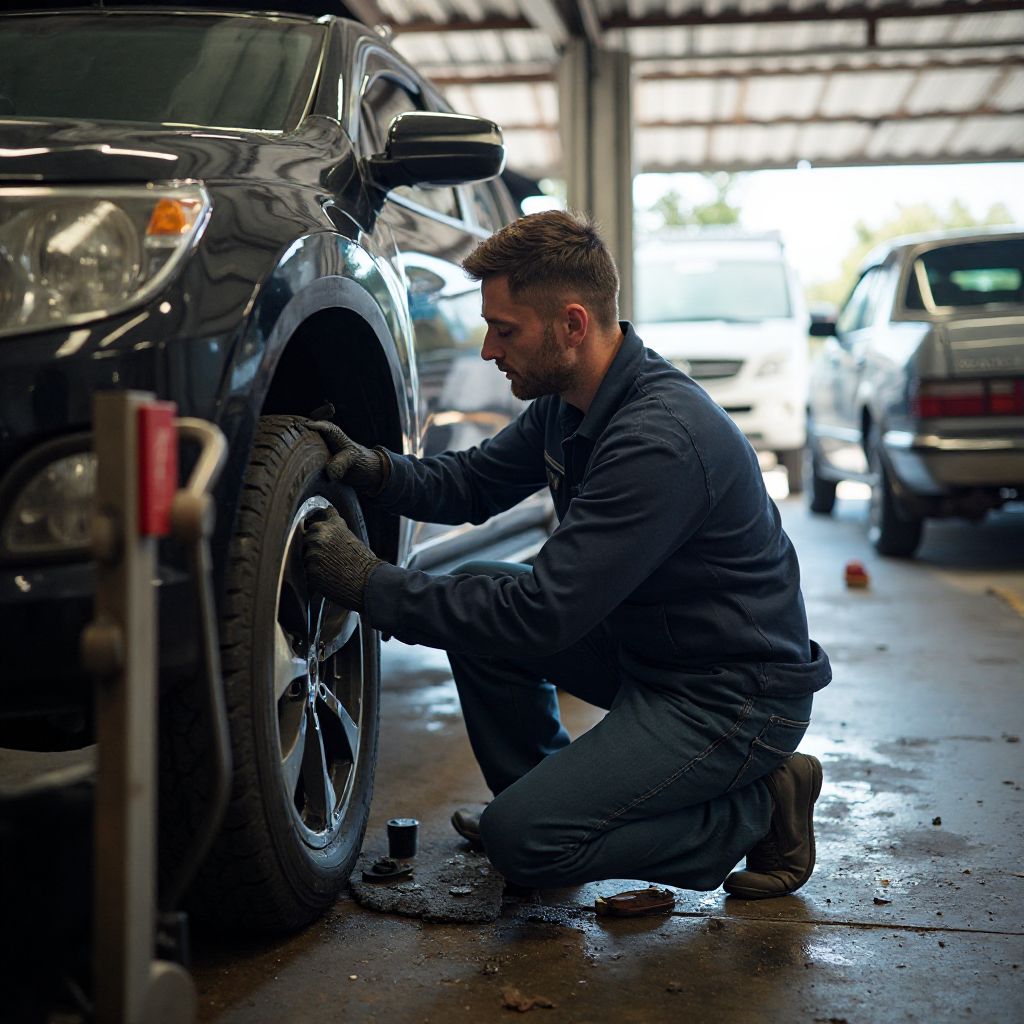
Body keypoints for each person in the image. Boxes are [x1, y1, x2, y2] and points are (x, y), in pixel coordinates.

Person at [303, 210, 831, 900]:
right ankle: (543, 795)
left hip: (731, 695)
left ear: (572, 325)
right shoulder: (573, 402)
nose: (489, 350)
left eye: (505, 330)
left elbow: (540, 614)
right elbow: (475, 481)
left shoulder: (659, 440)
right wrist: (378, 470)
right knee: (479, 584)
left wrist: (369, 583)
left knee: (525, 842)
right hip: (649, 651)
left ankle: (759, 809)